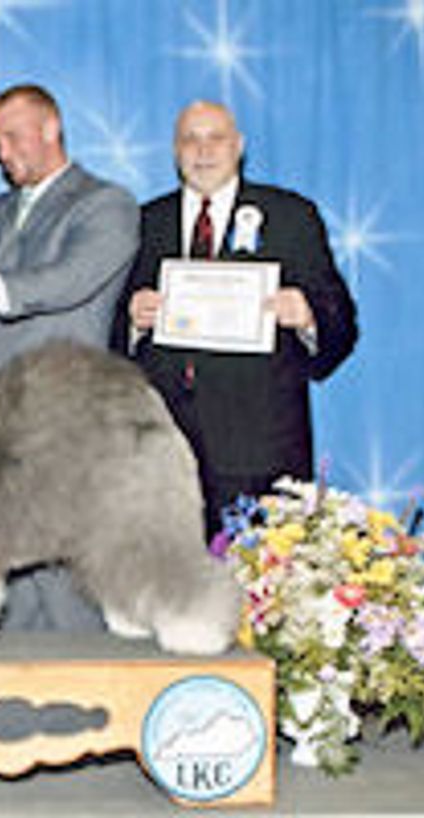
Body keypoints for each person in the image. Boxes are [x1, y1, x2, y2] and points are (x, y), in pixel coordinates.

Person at [0, 83, 139, 631]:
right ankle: (9, 706)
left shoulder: (105, 204)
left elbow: (66, 282)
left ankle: (95, 697)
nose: (2, 152)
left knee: (66, 577)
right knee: (4, 577)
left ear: (51, 129)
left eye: (13, 137)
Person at [113, 100, 358, 536]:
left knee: (263, 594)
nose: (203, 150)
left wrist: (308, 315)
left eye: (216, 138)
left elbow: (342, 324)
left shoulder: (290, 216)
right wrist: (131, 318)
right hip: (162, 447)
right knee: (170, 593)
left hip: (261, 448)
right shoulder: (144, 222)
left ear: (239, 146)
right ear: (174, 151)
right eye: (190, 139)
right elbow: (108, 333)